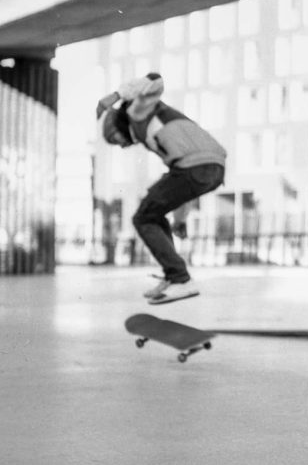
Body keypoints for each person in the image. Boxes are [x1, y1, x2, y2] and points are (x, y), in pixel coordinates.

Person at [97, 73, 227, 303]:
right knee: (154, 212)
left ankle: (180, 279)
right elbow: (184, 188)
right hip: (212, 169)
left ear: (117, 125)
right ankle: (173, 276)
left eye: (118, 140)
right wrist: (181, 220)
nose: (124, 146)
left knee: (143, 217)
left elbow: (154, 80)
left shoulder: (136, 111)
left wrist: (117, 95)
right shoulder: (161, 138)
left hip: (194, 167)